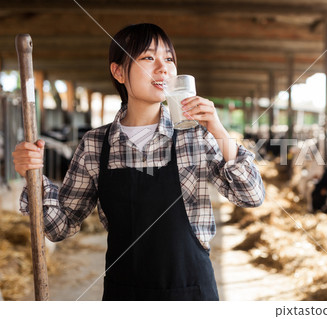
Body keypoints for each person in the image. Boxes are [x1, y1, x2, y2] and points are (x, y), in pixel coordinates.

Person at [12, 23, 265, 301]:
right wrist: (33, 175)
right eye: (148, 58)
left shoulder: (196, 136)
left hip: (191, 293)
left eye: (168, 59)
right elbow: (59, 227)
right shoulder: (96, 144)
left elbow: (251, 196)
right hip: (124, 295)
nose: (163, 68)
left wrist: (219, 131)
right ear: (119, 71)